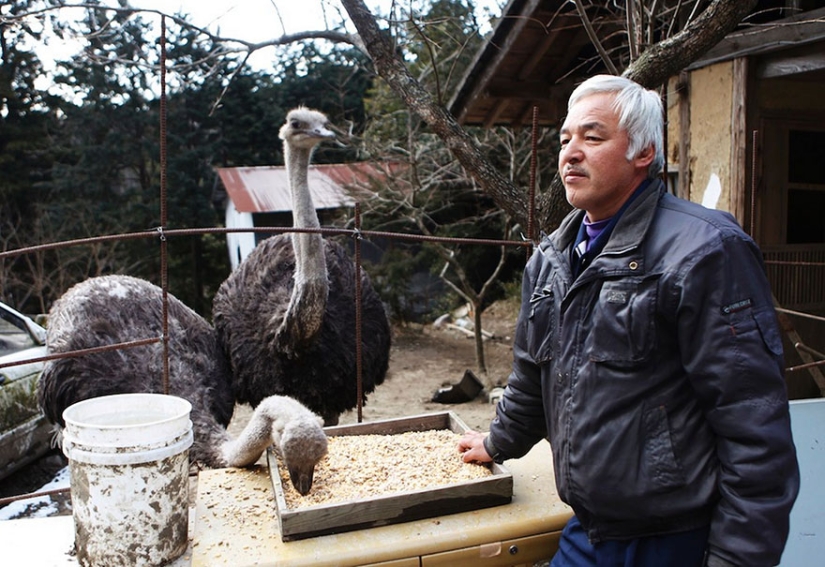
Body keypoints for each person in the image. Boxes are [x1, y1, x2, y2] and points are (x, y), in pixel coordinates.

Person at [458, 74, 799, 567]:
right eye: (565, 139)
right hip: (590, 529)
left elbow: (752, 422)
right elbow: (533, 375)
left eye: (592, 137)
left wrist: (738, 558)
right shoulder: (552, 258)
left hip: (676, 537)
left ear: (644, 152)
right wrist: (497, 442)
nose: (571, 152)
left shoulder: (704, 251)